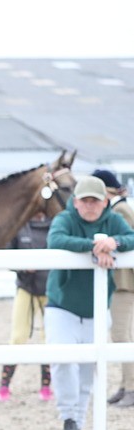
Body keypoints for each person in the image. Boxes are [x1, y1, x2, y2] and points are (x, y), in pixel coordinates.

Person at [45, 175, 134, 430]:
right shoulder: (65, 218)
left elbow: (131, 237)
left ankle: (78, 423)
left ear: (105, 201)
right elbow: (55, 240)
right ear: (75, 202)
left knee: (89, 367)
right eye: (84, 201)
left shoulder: (113, 219)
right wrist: (96, 246)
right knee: (62, 361)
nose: (90, 206)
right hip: (62, 305)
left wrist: (114, 243)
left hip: (97, 306)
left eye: (95, 201)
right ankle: (68, 419)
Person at [0, 213, 53, 402]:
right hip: (26, 287)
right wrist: (22, 266)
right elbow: (7, 254)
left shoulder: (55, 224)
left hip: (49, 289)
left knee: (49, 339)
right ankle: (4, 385)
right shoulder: (20, 225)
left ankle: (46, 386)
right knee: (18, 336)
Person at [93, 169, 134, 407]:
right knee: (124, 334)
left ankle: (131, 387)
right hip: (122, 281)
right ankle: (125, 384)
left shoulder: (119, 211)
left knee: (121, 335)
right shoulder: (121, 208)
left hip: (125, 282)